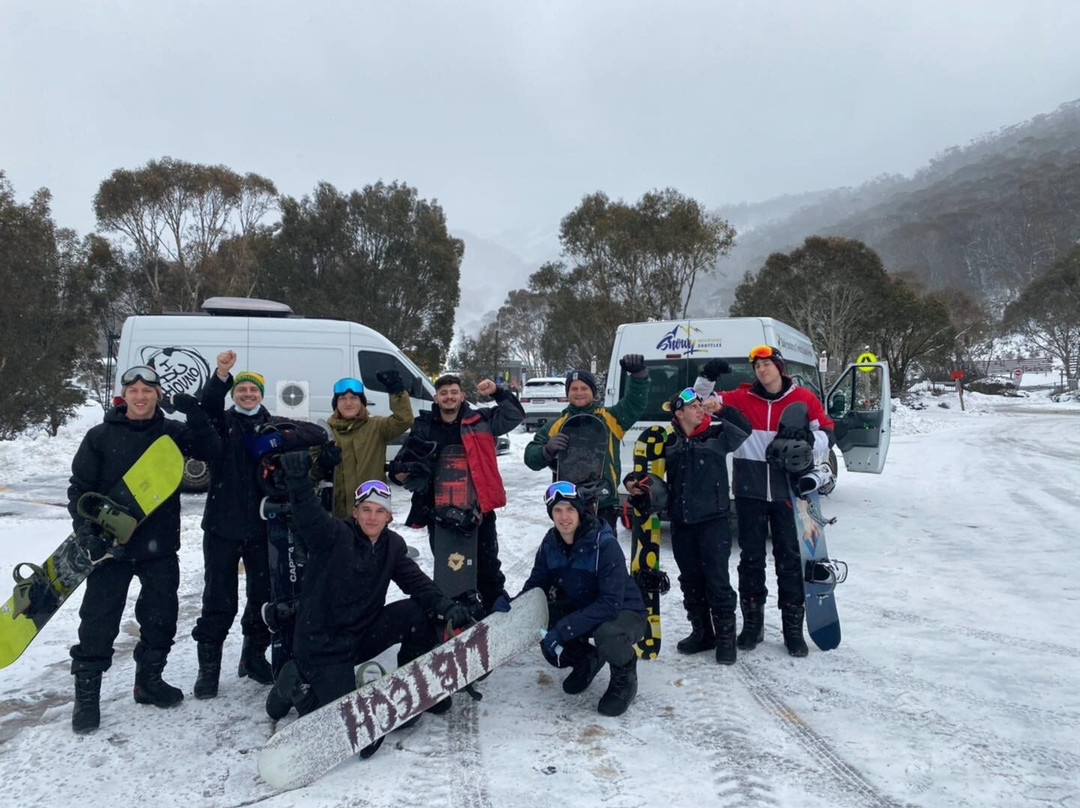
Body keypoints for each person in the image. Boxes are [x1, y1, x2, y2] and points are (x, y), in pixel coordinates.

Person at [68, 365, 220, 733]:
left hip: (159, 547)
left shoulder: (172, 433)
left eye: (147, 391)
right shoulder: (100, 436)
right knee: (98, 622)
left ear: (157, 395)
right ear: (124, 395)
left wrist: (196, 412)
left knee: (161, 618)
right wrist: (85, 532)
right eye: (133, 390)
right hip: (110, 547)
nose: (140, 396)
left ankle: (148, 682)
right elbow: (79, 490)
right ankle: (87, 698)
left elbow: (211, 449)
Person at [278, 453, 471, 717]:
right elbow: (310, 520)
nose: (372, 517)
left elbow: (417, 583)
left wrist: (445, 606)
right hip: (322, 644)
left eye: (380, 511)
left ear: (389, 517)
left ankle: (415, 681)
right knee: (339, 718)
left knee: (417, 612)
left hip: (360, 635)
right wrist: (299, 484)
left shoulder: (392, 546)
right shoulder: (334, 535)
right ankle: (291, 684)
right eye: (366, 509)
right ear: (355, 512)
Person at [191, 350, 329, 698]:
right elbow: (207, 407)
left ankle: (252, 657)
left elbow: (316, 433)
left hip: (261, 526)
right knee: (218, 598)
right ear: (234, 393)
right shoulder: (222, 422)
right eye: (242, 390)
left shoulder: (273, 422)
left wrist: (279, 437)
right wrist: (221, 375)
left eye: (253, 391)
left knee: (261, 596)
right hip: (222, 525)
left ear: (261, 394)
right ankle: (208, 670)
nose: (247, 395)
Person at [694, 348, 834, 657]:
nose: (761, 370)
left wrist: (809, 442)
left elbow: (827, 431)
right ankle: (753, 626)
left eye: (767, 364)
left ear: (779, 367)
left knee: (788, 560)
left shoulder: (804, 400)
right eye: (757, 365)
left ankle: (792, 631)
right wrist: (706, 378)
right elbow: (700, 402)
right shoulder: (741, 398)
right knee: (751, 560)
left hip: (788, 492)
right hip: (750, 490)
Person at [623, 382, 752, 664]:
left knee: (717, 582)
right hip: (682, 523)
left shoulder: (718, 434)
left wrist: (722, 408)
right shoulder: (669, 442)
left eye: (699, 405)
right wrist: (632, 483)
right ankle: (702, 632)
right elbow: (646, 474)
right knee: (690, 580)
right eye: (693, 407)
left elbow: (745, 429)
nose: (699, 410)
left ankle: (726, 640)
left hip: (714, 521)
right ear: (679, 413)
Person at [495, 481, 647, 717]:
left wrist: (565, 628)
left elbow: (610, 604)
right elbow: (537, 585)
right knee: (543, 625)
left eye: (570, 509)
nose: (564, 517)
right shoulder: (550, 542)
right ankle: (588, 659)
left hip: (624, 612)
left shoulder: (604, 544)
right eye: (557, 510)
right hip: (584, 607)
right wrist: (514, 604)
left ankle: (625, 676)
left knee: (607, 634)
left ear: (580, 511)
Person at [389, 374, 524, 616]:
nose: (449, 397)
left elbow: (514, 415)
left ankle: (494, 607)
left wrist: (498, 392)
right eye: (444, 393)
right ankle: (453, 613)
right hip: (438, 512)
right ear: (436, 397)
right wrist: (408, 470)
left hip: (478, 507)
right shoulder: (424, 427)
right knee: (449, 568)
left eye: (454, 392)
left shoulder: (481, 420)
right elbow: (399, 468)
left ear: (462, 396)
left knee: (487, 565)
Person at [523, 356, 651, 530]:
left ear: (593, 392)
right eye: (574, 388)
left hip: (604, 502)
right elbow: (530, 457)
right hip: (568, 505)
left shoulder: (611, 418)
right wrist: (546, 450)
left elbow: (635, 404)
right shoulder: (556, 425)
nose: (579, 392)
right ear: (567, 393)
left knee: (603, 553)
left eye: (584, 388)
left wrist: (638, 375)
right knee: (570, 554)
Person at [320, 373, 414, 517]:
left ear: (362, 402)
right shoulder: (325, 433)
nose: (348, 403)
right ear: (336, 404)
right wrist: (322, 462)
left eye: (354, 398)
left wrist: (397, 393)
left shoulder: (377, 427)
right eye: (342, 398)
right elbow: (312, 474)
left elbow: (404, 420)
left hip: (372, 515)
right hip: (337, 516)